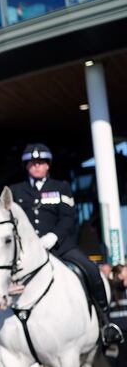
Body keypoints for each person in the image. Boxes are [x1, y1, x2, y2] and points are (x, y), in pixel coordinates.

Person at [10, 143, 123, 345]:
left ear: (48, 165)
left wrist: (53, 236)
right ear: (26, 166)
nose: (37, 166)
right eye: (32, 163)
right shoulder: (15, 190)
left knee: (91, 270)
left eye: (41, 162)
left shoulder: (60, 187)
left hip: (60, 246)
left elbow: (68, 218)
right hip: (28, 251)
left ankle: (106, 323)